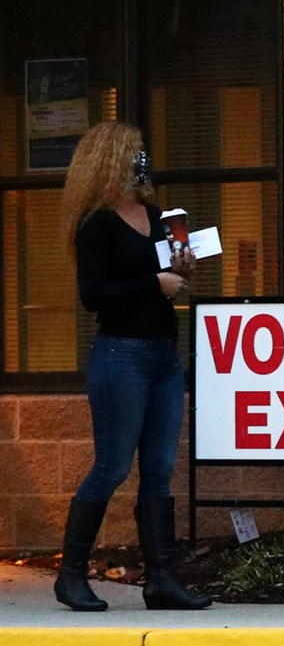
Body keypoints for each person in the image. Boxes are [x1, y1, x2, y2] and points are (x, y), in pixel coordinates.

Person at [53, 121, 210, 612]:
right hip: (122, 354)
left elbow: (163, 269)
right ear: (110, 159)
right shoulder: (96, 222)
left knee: (160, 470)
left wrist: (180, 267)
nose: (142, 161)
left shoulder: (155, 213)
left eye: (143, 152)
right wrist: (153, 284)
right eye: (134, 152)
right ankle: (71, 576)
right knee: (113, 466)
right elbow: (93, 296)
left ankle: (162, 580)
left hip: (164, 353)